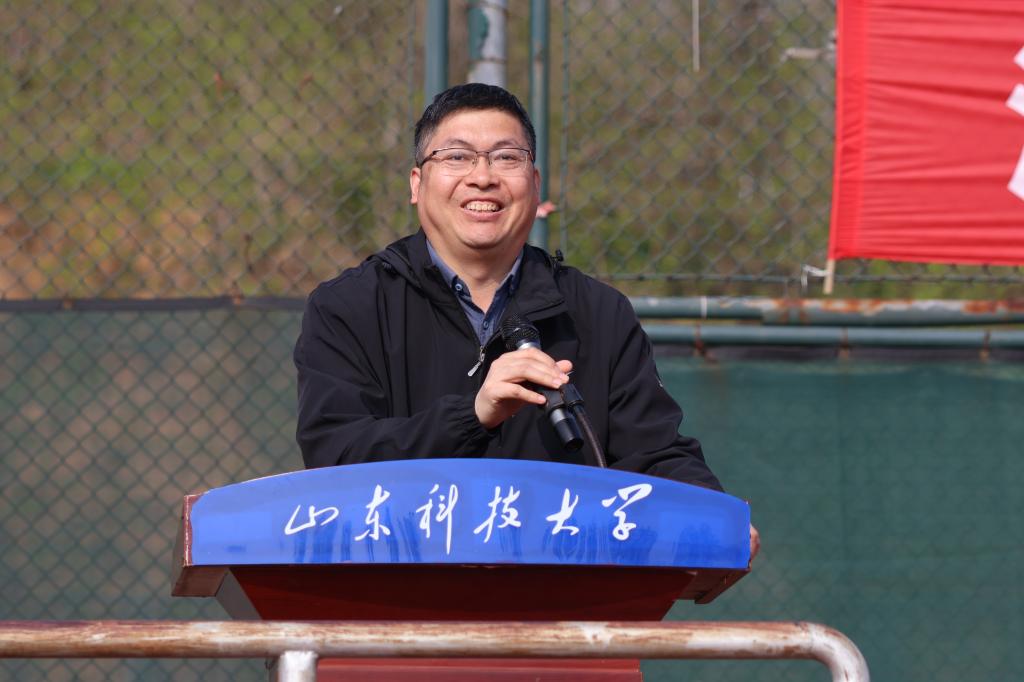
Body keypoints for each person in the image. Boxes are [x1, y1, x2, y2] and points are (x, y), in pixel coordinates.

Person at [294, 83, 758, 559]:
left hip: (564, 588)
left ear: (534, 185)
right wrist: (473, 416)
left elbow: (654, 454)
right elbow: (336, 461)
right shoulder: (348, 307)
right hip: (398, 588)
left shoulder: (599, 313)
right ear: (417, 183)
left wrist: (711, 514)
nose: (482, 177)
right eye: (457, 157)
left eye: (506, 158)